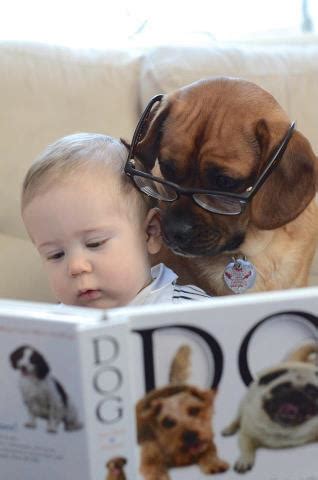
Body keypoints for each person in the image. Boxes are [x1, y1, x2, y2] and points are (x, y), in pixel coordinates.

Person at [21, 133, 211, 309]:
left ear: (150, 233)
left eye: (94, 243)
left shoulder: (190, 312)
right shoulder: (53, 329)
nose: (76, 266)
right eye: (55, 255)